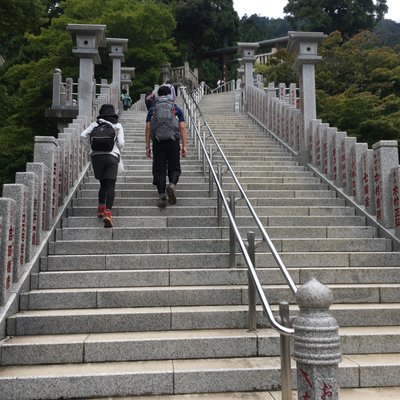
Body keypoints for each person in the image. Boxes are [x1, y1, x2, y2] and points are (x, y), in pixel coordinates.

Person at [80, 104, 124, 227]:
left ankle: (100, 207)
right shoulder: (117, 125)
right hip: (112, 157)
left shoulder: (95, 124)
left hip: (96, 157)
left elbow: (82, 135)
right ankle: (108, 213)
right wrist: (116, 148)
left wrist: (91, 147)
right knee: (110, 185)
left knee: (102, 184)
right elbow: (121, 143)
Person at [145, 85, 187, 208]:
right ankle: (172, 185)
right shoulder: (176, 109)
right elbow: (183, 127)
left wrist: (147, 146)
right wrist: (184, 146)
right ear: (170, 95)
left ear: (158, 95)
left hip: (158, 142)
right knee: (174, 167)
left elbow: (148, 128)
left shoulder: (152, 109)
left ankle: (162, 195)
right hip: (173, 142)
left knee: (159, 169)